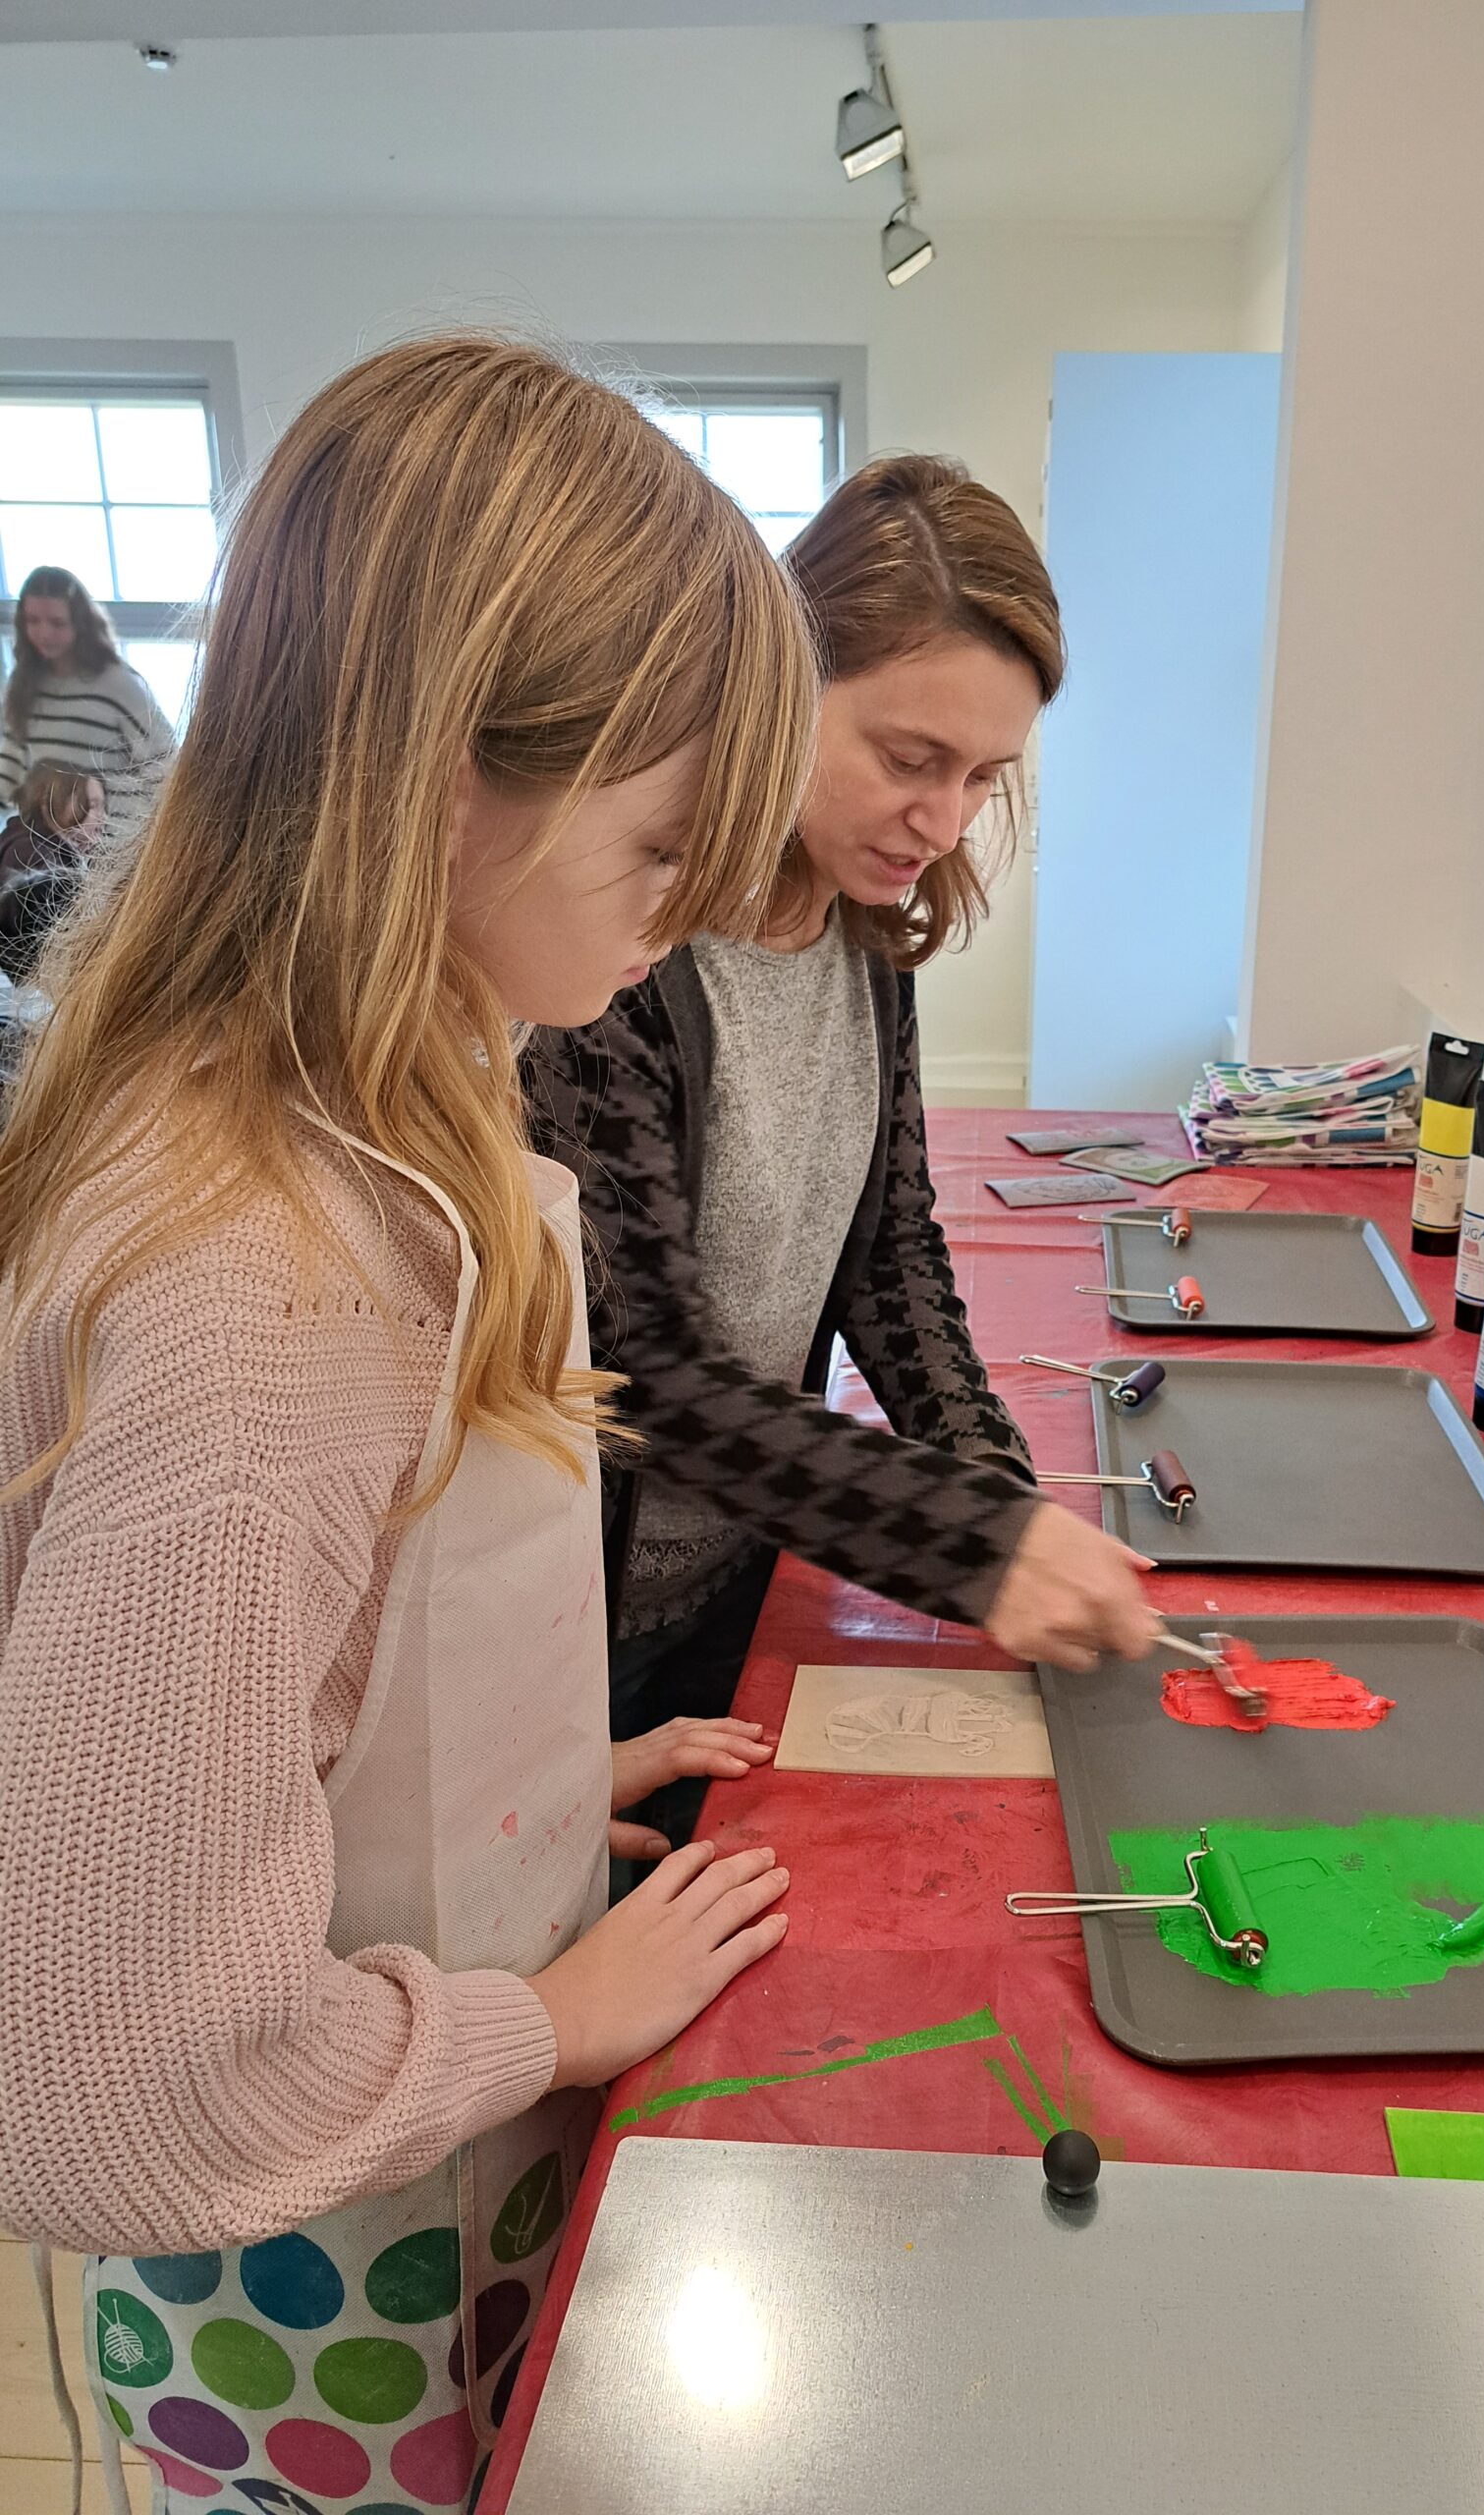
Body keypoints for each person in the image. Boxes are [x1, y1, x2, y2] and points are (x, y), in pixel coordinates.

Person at [0, 334, 812, 2514]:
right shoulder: (261, 1287)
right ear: (452, 782)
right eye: (659, 846)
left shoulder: (377, 1117)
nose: (686, 916)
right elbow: (110, 2081)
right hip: (326, 2277)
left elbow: (297, 1668)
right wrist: (555, 2016)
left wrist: (528, 1786)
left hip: (414, 2166)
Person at [533, 454, 1158, 1868]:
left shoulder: (871, 932)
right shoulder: (616, 952)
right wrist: (970, 1544)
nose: (946, 820)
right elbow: (649, 1371)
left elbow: (890, 1248)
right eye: (909, 758)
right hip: (572, 1622)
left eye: (984, 777)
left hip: (738, 1570)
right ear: (780, 685)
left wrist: (991, 1483)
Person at [0, 564, 175, 841]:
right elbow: (9, 772)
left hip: (112, 846)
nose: (44, 633)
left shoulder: (119, 684)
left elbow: (165, 765)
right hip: (45, 848)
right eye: (33, 621)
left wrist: (122, 823)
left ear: (80, 623)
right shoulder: (21, 686)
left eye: (57, 623)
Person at [0, 760, 103, 982]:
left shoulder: (34, 847)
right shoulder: (32, 858)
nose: (102, 818)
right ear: (51, 800)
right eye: (93, 805)